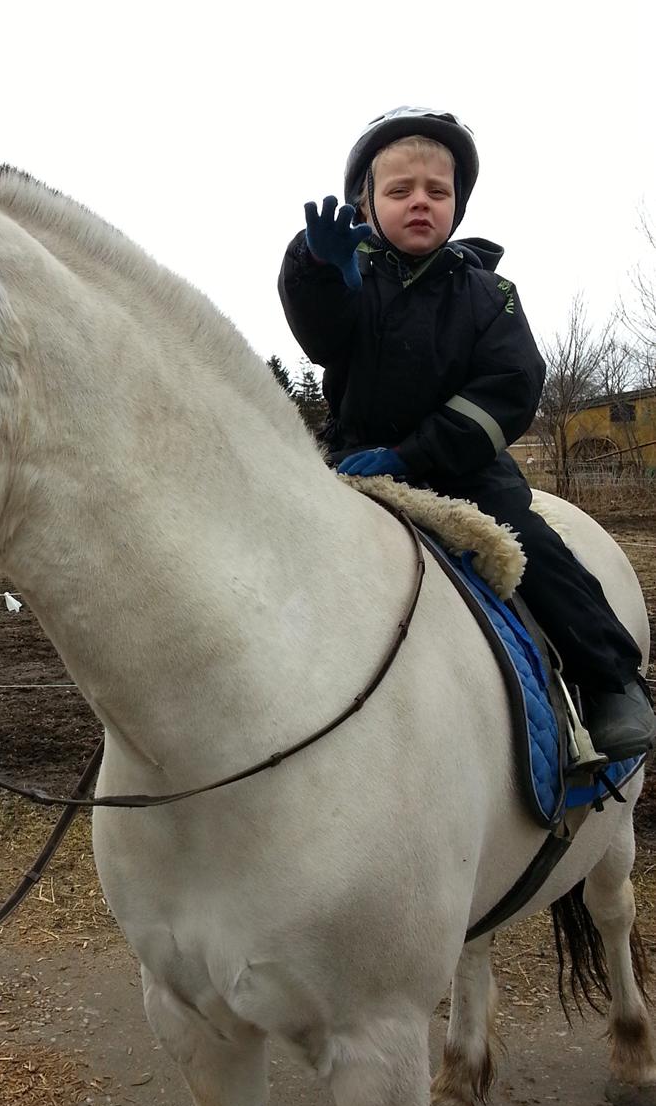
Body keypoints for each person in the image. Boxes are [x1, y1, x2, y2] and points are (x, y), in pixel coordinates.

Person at [277, 105, 655, 763]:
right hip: (352, 458)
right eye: (399, 190)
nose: (419, 202)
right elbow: (320, 339)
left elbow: (507, 390)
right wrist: (317, 271)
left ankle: (609, 681)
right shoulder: (352, 276)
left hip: (464, 468)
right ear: (365, 205)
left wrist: (412, 453)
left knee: (535, 549)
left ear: (457, 203)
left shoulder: (490, 295)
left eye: (437, 191)